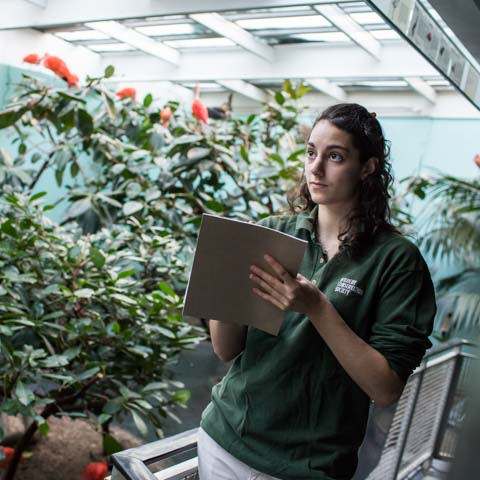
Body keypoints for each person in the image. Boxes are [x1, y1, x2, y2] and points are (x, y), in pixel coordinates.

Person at [197, 103, 436, 480]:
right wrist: (224, 285)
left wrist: (318, 308)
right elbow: (227, 351)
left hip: (309, 467)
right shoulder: (274, 232)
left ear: (368, 168)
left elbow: (386, 387)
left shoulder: (396, 260)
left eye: (335, 156)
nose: (316, 167)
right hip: (225, 439)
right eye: (311, 152)